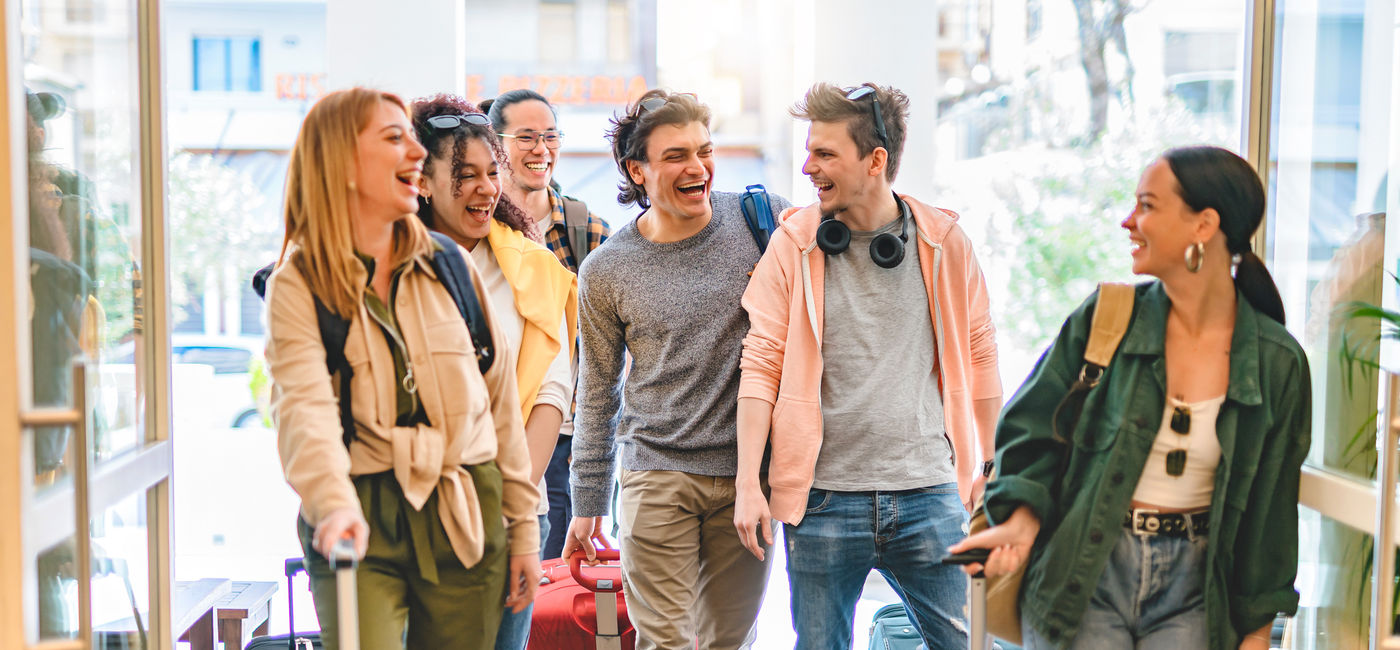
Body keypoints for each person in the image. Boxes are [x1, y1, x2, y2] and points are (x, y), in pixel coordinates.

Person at [949, 145, 1310, 650]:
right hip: (1085, 567)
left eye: (1147, 206)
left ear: (1203, 225)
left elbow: (1272, 510)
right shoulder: (1107, 318)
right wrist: (1024, 521)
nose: (1127, 221)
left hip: (1198, 591)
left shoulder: (1277, 362)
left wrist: (1255, 633)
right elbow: (1030, 430)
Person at [263, 87, 540, 649]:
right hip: (361, 512)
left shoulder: (451, 266)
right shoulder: (299, 282)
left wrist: (525, 531)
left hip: (466, 506)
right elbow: (304, 412)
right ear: (340, 162)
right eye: (394, 139)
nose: (416, 154)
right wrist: (333, 505)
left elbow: (500, 410)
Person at [733, 82, 1002, 650]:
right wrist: (747, 482)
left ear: (875, 160)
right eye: (808, 151)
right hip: (824, 499)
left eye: (825, 153)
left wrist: (991, 463)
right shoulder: (793, 245)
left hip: (930, 491)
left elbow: (981, 358)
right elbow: (760, 364)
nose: (808, 167)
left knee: (967, 645)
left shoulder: (946, 243)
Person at [563, 89, 791, 650]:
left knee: (728, 641)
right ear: (637, 170)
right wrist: (586, 504)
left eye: (704, 151)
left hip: (748, 479)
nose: (697, 169)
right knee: (665, 642)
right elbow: (598, 392)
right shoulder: (606, 270)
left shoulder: (764, 222)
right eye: (675, 156)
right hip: (656, 472)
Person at [409, 94, 577, 650]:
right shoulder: (387, 270)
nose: (484, 188)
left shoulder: (533, 267)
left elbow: (553, 389)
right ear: (423, 181)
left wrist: (508, 499)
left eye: (489, 173)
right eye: (464, 175)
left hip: (515, 515)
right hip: (413, 519)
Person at [484, 89, 611, 560]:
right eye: (527, 137)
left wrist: (594, 450)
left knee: (555, 590)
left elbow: (606, 349)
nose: (542, 150)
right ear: (495, 145)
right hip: (493, 432)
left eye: (551, 136)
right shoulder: (477, 232)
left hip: (566, 440)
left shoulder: (588, 232)